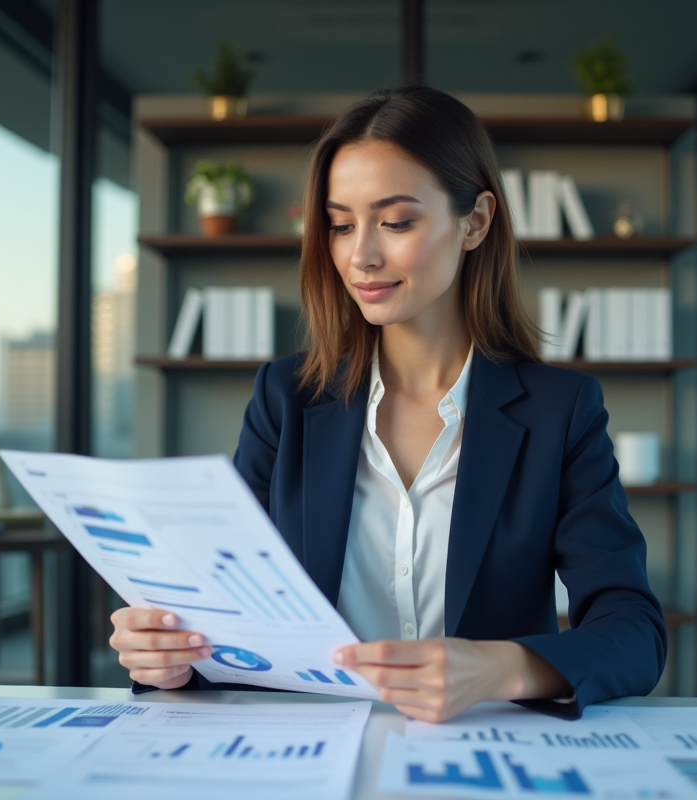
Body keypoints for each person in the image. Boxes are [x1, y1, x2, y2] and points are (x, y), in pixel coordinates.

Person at [109, 86, 666, 722]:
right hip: (304, 754)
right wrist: (172, 657)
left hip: (479, 753)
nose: (360, 255)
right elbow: (227, 615)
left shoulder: (558, 410)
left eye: (396, 222)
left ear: (475, 222)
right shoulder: (285, 399)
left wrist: (497, 669)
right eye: (341, 224)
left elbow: (634, 630)